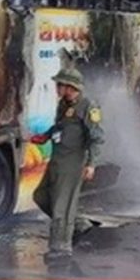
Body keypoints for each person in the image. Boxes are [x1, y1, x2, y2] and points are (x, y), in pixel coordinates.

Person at [31, 67, 104, 259]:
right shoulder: (63, 104)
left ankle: (60, 248)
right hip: (57, 159)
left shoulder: (88, 106)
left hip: (73, 163)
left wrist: (91, 164)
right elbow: (60, 126)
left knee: (61, 207)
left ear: (71, 87)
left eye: (60, 85)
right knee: (40, 196)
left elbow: (96, 137)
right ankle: (79, 223)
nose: (57, 88)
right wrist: (45, 136)